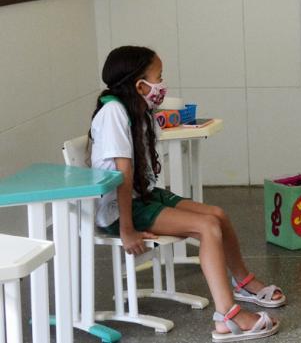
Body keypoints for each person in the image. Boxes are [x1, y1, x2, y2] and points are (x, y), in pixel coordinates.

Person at [90, 46, 283, 342]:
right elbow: (123, 176)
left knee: (217, 215)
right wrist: (127, 229)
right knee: (206, 227)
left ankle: (243, 283)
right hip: (121, 208)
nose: (163, 84)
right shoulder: (114, 112)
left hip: (143, 196)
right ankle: (227, 317)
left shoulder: (137, 109)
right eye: (159, 77)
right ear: (139, 85)